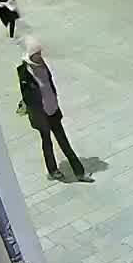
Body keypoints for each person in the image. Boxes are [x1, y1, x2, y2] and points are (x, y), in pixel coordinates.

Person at [16, 38, 87, 182]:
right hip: (40, 115)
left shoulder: (43, 66)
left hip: (52, 110)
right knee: (47, 142)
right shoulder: (24, 72)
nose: (40, 56)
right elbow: (27, 96)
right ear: (30, 55)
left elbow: (49, 85)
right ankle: (53, 170)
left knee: (64, 141)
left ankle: (79, 172)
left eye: (40, 53)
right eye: (36, 54)